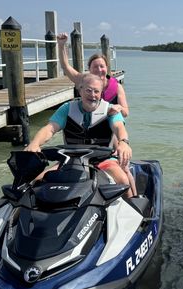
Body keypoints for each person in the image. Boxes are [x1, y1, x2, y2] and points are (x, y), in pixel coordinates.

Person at [24, 73, 135, 198]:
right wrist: (35, 143)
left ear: (101, 93)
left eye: (96, 91)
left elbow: (119, 127)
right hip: (70, 160)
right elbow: (50, 129)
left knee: (123, 181)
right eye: (88, 90)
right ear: (80, 90)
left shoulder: (110, 110)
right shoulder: (66, 109)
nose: (92, 95)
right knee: (35, 182)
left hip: (102, 160)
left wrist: (124, 142)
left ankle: (133, 208)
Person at [57, 32, 136, 196]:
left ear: (107, 68)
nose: (99, 69)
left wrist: (117, 108)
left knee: (124, 168)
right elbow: (65, 67)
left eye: (102, 66)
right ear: (89, 69)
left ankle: (135, 199)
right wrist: (62, 45)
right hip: (87, 128)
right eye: (95, 67)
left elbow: (126, 111)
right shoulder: (83, 80)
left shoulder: (116, 87)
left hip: (110, 128)